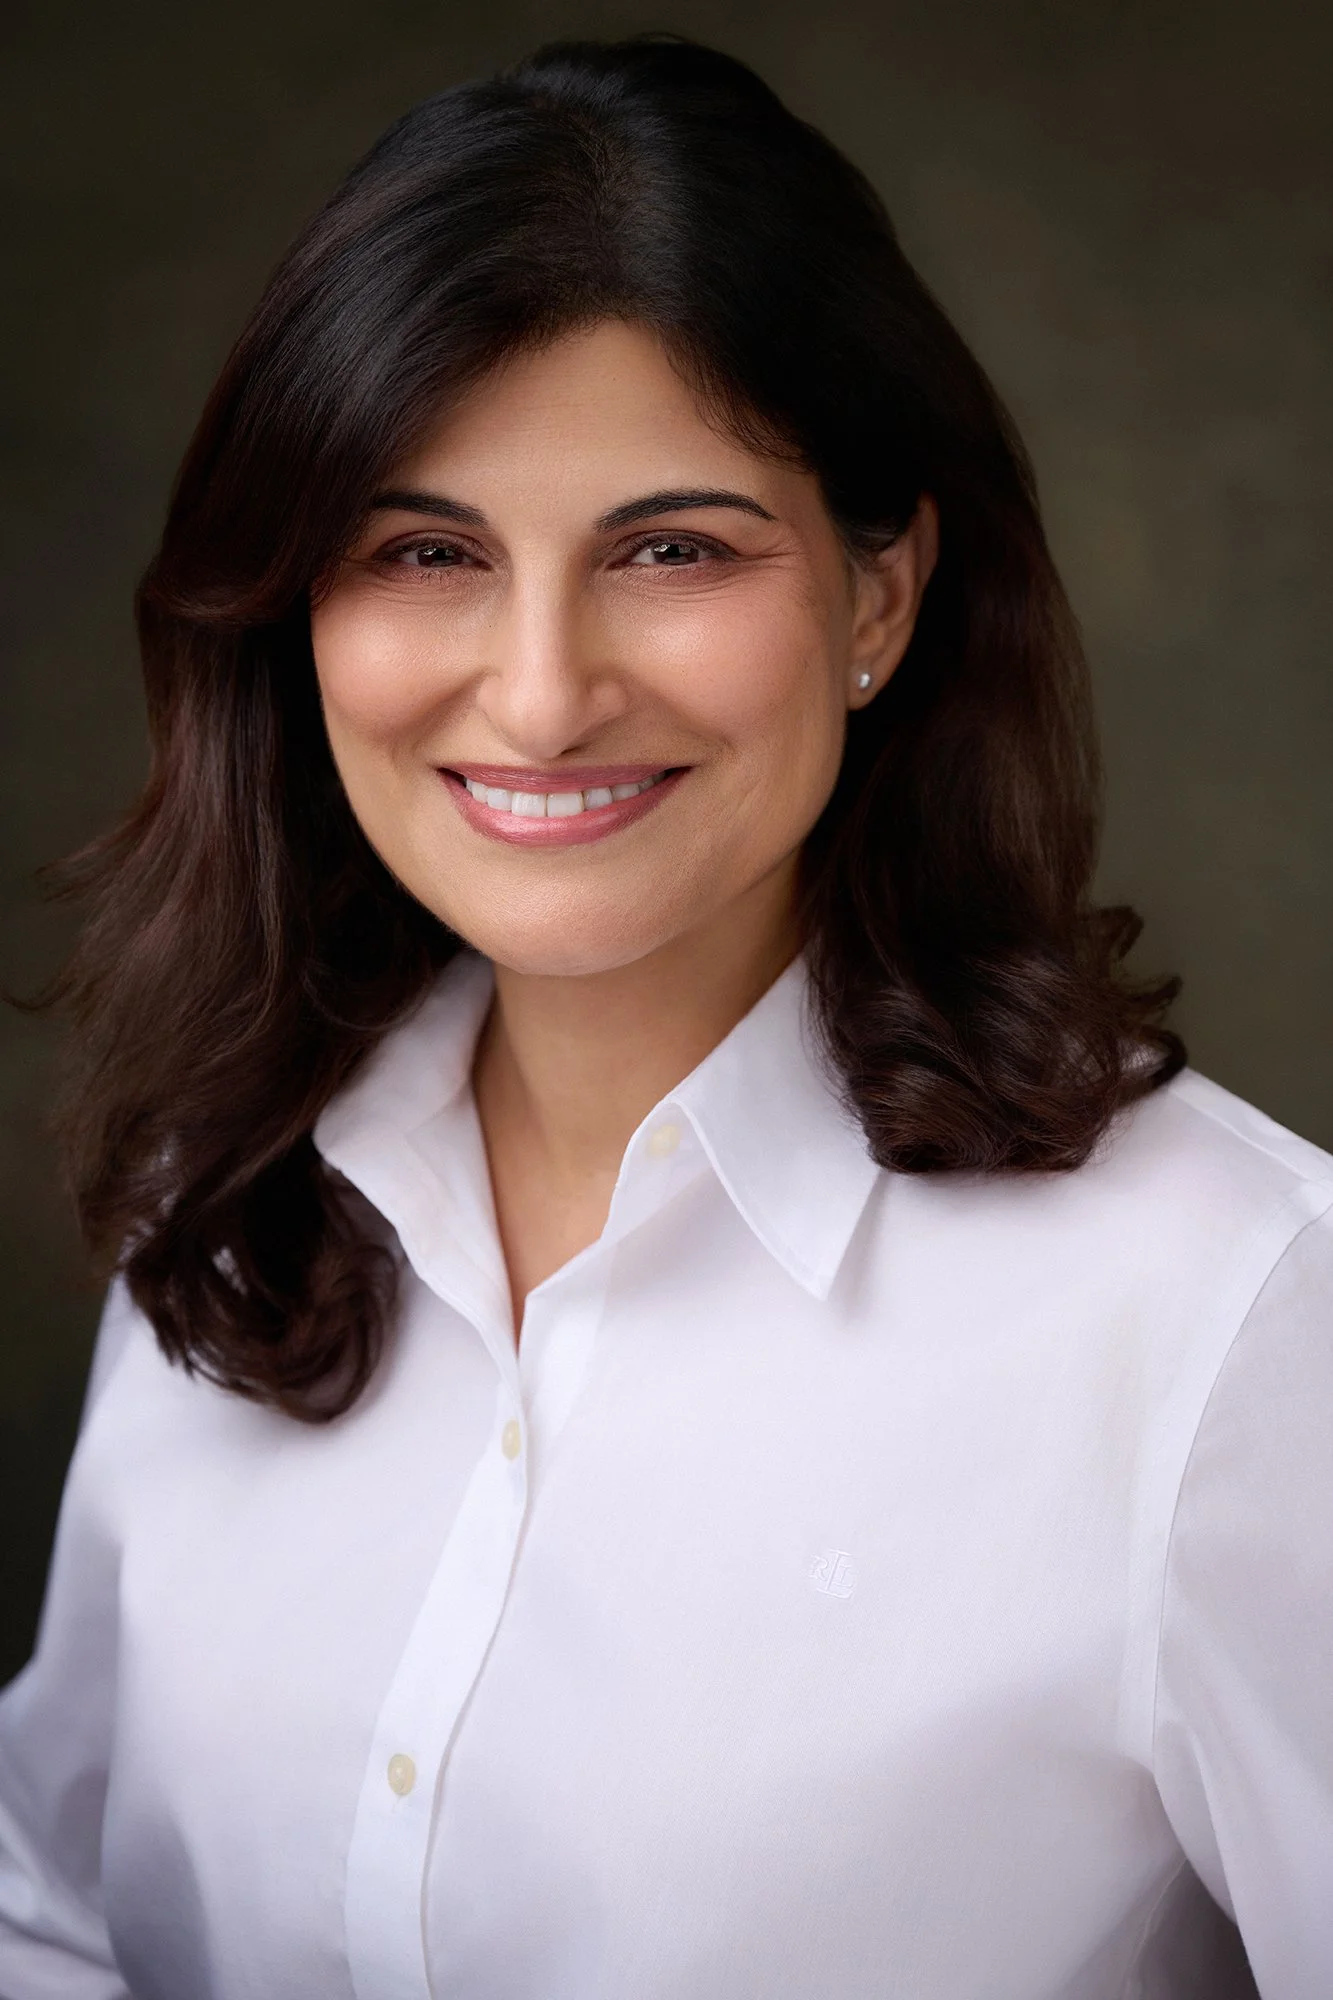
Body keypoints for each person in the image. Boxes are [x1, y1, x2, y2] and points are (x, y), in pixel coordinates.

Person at [0, 31, 1328, 2000]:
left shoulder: (1232, 1314)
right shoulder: (227, 1190)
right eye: (426, 552)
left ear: (881, 597)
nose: (538, 698)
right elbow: (56, 1912)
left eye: (674, 550)